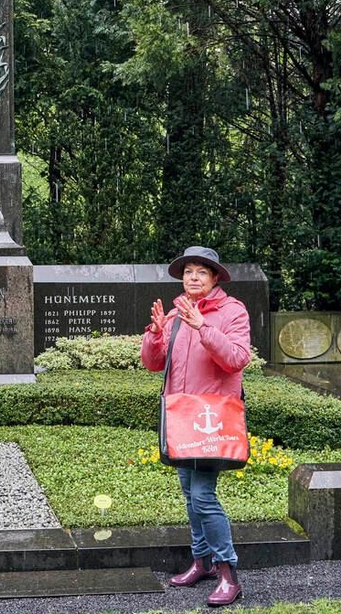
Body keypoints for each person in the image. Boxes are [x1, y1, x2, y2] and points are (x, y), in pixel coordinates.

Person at [141, 246, 251, 608]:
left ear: (215, 278)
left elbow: (236, 359)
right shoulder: (175, 314)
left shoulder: (232, 312)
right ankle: (201, 561)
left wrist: (203, 327)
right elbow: (154, 364)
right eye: (188, 271)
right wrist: (156, 335)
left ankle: (228, 573)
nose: (193, 277)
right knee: (191, 495)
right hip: (182, 418)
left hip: (212, 421)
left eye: (201, 272)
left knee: (203, 496)